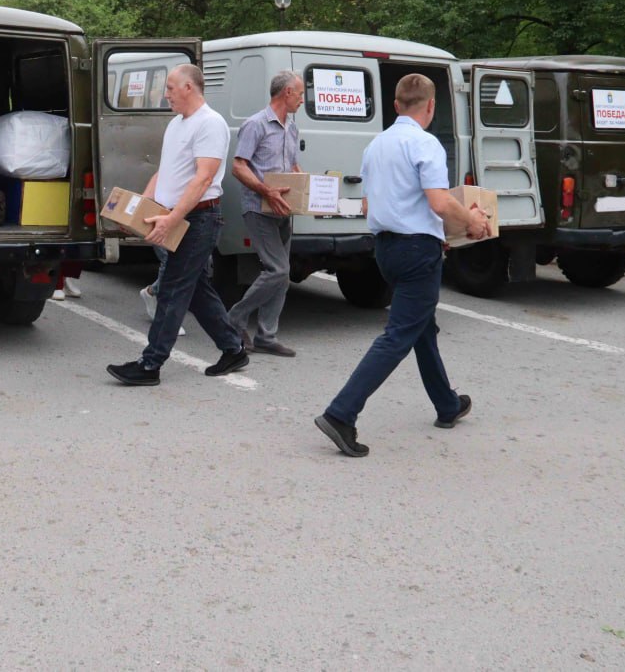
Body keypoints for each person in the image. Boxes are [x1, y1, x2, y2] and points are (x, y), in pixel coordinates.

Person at [315, 73, 488, 457]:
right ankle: (341, 413)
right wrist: (473, 222)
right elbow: (440, 203)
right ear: (431, 107)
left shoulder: (376, 145)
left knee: (421, 327)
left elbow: (366, 203)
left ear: (395, 106)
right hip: (417, 252)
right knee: (398, 335)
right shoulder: (426, 144)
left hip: (386, 250)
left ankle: (447, 404)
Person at [107, 64, 247, 386]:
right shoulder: (175, 124)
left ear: (189, 88)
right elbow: (164, 172)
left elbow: (203, 179)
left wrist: (171, 219)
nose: (165, 94)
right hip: (179, 215)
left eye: (170, 88)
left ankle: (149, 365)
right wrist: (138, 208)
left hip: (198, 219)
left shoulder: (210, 124)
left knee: (172, 289)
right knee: (196, 289)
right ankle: (233, 348)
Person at [225, 69, 305, 357]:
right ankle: (234, 317)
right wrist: (265, 190)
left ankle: (266, 336)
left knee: (281, 276)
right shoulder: (256, 125)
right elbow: (238, 166)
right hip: (258, 208)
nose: (302, 99)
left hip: (284, 209)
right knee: (278, 269)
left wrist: (308, 189)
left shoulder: (292, 128)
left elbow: (293, 167)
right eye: (300, 93)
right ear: (287, 93)